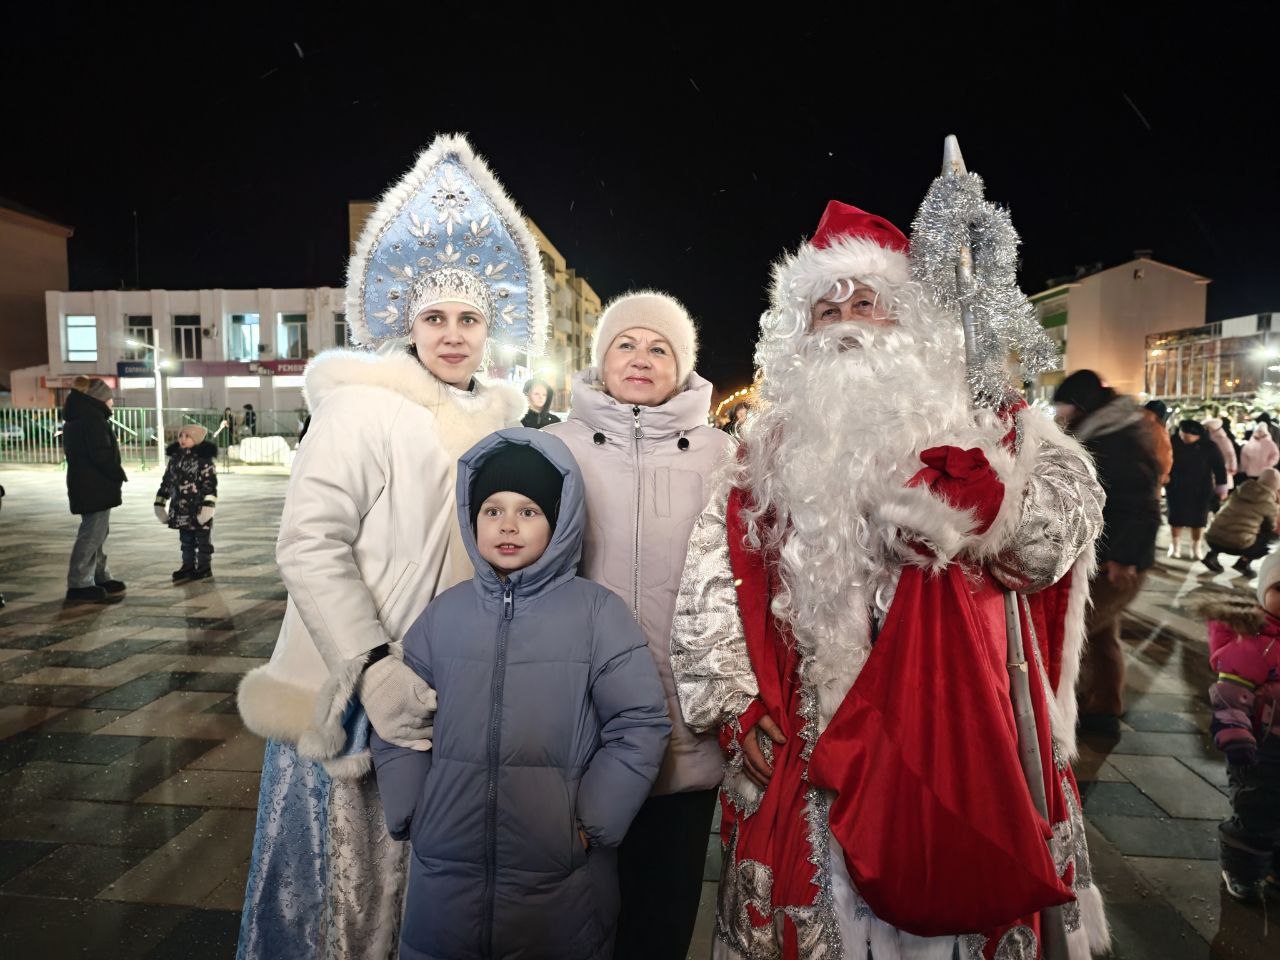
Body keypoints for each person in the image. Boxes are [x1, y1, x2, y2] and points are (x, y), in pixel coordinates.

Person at [671, 202, 1109, 958]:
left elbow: (1058, 541)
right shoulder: (765, 452)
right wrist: (736, 703)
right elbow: (711, 579)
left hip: (962, 728)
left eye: (866, 302)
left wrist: (994, 508)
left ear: (908, 317)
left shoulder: (990, 422)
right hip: (807, 740)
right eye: (827, 308)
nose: (846, 324)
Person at [235, 134, 542, 960]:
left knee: (426, 902)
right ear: (408, 323)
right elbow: (309, 545)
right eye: (435, 318)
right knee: (344, 902)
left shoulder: (501, 426)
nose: (452, 335)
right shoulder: (360, 409)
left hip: (452, 697)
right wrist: (370, 667)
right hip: (353, 695)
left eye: (469, 319)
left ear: (490, 330)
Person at [372, 428, 671, 959]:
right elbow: (400, 717)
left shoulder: (597, 614)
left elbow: (639, 724)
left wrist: (592, 823)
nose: (507, 525)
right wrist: (413, 807)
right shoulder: (444, 614)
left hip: (560, 879)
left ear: (560, 520)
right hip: (445, 877)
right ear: (472, 518)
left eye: (528, 511)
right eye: (493, 510)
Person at [544, 290, 732, 960]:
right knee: (574, 910)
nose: (641, 358)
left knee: (665, 909)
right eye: (625, 344)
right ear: (601, 358)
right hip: (579, 720)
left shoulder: (722, 456)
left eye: (660, 348)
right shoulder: (554, 448)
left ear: (683, 366)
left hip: (684, 725)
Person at [1053, 370, 1162, 733]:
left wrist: (1125, 558)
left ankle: (1082, 707)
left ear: (1081, 405)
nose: (1059, 413)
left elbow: (1142, 504)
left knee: (1076, 629)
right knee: (1099, 633)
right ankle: (1102, 704)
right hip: (1104, 553)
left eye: (1063, 405)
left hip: (1115, 558)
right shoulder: (1107, 433)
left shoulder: (1116, 440)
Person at [1197, 556, 1280, 902]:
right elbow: (1230, 695)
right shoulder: (1255, 644)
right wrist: (1236, 736)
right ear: (1262, 593)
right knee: (1256, 812)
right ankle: (1242, 871)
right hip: (1259, 751)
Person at [62, 378, 127, 604]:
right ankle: (79, 583)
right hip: (95, 484)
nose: (112, 403)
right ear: (99, 399)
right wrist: (117, 473)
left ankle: (98, 575)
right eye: (110, 398)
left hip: (87, 483)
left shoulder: (80, 416)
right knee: (92, 534)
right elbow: (101, 454)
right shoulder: (92, 419)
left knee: (97, 533)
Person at [154, 423, 219, 582]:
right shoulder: (175, 459)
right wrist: (160, 503)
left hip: (199, 510)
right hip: (180, 509)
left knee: (202, 540)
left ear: (196, 439)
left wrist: (208, 507)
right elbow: (167, 481)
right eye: (181, 436)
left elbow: (210, 485)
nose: (182, 439)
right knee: (186, 540)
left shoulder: (204, 460)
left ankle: (204, 567)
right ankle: (188, 565)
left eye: (187, 436)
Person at [1166, 419, 1228, 559]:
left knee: (1199, 520)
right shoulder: (1172, 442)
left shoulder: (1210, 447)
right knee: (1175, 517)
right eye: (1182, 435)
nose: (1184, 438)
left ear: (1198, 435)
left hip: (1201, 489)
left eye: (1188, 436)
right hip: (1176, 487)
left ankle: (1196, 547)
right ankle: (1175, 546)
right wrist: (1165, 477)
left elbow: (1219, 468)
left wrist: (1221, 488)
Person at [1200, 468, 1280, 575]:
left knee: (1229, 523)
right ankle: (1243, 562)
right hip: (1237, 546)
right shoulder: (1269, 502)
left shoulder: (1240, 490)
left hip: (1212, 538)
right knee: (1273, 537)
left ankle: (1211, 555)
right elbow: (1270, 527)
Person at [1142, 399, 1174, 485]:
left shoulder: (1133, 424)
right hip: (1148, 477)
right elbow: (1164, 456)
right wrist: (1164, 475)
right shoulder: (1158, 429)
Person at [1204, 417, 1239, 495]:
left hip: (1223, 470)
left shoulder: (1222, 439)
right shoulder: (1211, 438)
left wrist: (1232, 467)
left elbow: (1230, 454)